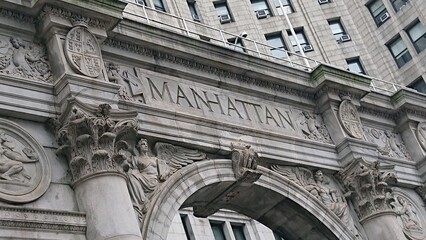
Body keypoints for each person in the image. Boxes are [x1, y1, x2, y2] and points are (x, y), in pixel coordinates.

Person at [126, 139, 160, 219]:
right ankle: (142, 200)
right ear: (138, 147)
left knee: (133, 174)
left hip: (154, 180)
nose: (146, 145)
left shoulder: (154, 159)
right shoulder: (136, 159)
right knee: (131, 174)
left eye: (146, 144)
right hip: (144, 179)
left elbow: (163, 169)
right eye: (143, 144)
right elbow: (126, 162)